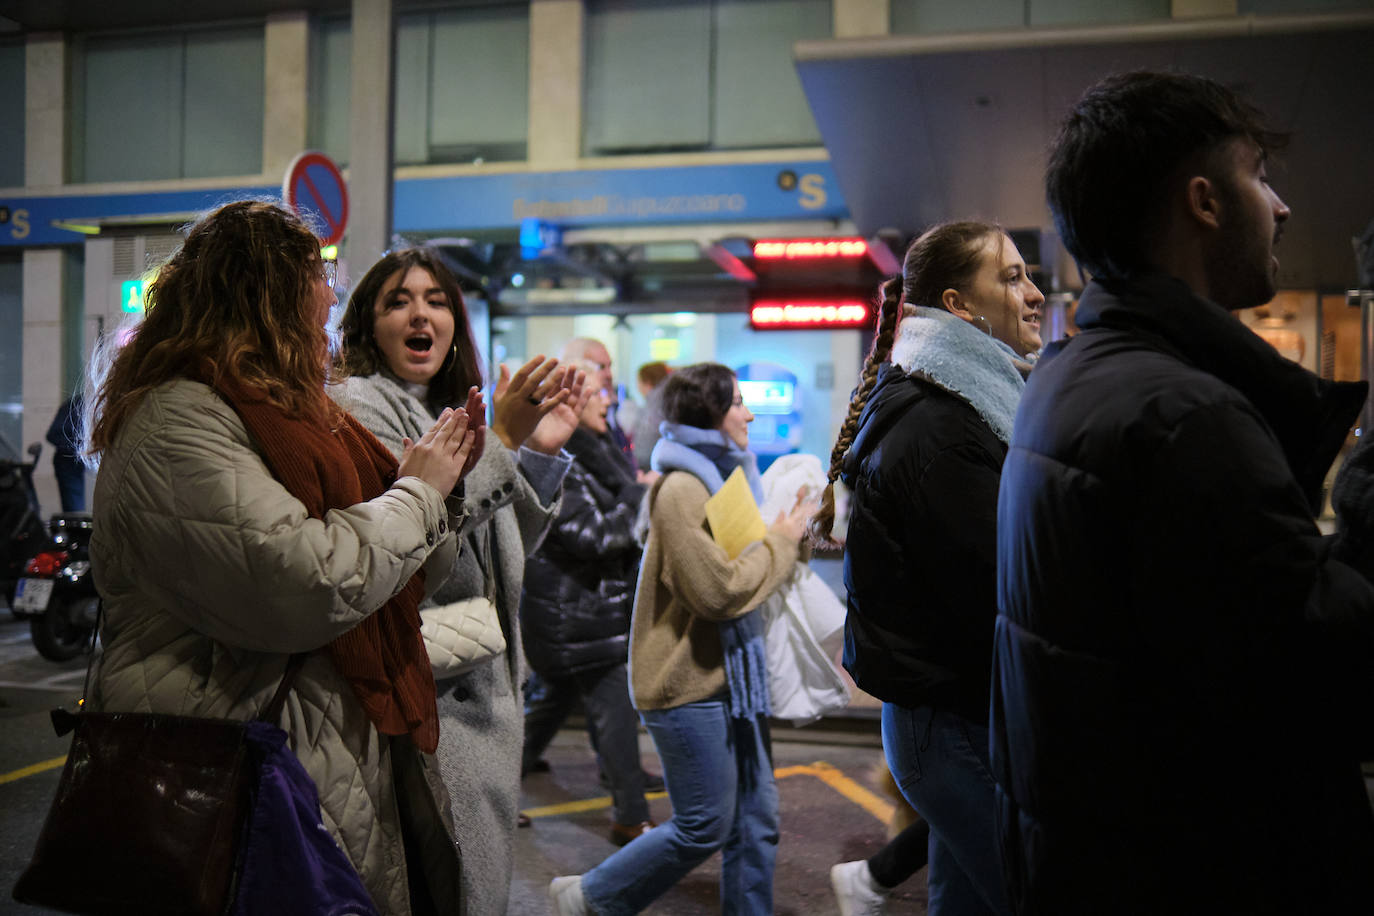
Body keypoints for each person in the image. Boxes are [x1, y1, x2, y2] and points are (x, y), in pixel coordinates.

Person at [992, 70, 1374, 914]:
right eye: (1258, 177)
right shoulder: (1182, 415)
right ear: (1204, 200)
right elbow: (1338, 688)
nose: (1278, 208)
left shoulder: (1071, 377)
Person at [83, 200, 480, 915]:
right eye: (315, 277)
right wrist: (421, 492)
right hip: (232, 768)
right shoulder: (181, 419)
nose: (330, 296)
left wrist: (431, 499)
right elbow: (304, 583)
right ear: (264, 292)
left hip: (317, 751)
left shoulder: (299, 410)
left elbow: (406, 573)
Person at [332, 245, 585, 916]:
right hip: (434, 697)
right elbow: (415, 534)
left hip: (477, 687)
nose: (421, 314)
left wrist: (533, 453)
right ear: (367, 326)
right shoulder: (361, 405)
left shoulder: (442, 407)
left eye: (436, 300)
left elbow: (494, 555)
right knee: (448, 885)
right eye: (399, 301)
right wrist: (500, 436)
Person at [810, 221, 1042, 916]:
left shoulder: (964, 408)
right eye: (1011, 277)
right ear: (958, 305)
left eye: (1027, 276)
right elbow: (1002, 586)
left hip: (955, 717)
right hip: (952, 725)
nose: (1032, 293)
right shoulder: (942, 428)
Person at [549, 362, 814, 916]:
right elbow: (718, 590)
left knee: (757, 819)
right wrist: (783, 543)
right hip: (685, 683)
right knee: (705, 824)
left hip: (732, 679)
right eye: (737, 403)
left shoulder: (723, 478)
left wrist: (793, 531)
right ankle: (590, 898)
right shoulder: (682, 489)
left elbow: (747, 557)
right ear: (709, 417)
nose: (748, 412)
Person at [520, 376, 658, 846]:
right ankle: (630, 817)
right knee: (613, 708)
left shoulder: (600, 450)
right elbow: (592, 536)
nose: (610, 398)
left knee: (551, 704)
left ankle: (500, 776)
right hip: (573, 614)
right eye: (598, 390)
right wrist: (640, 496)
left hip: (582, 610)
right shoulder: (560, 460)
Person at [562, 337, 635, 471]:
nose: (609, 374)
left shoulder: (611, 413)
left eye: (609, 366)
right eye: (601, 367)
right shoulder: (564, 456)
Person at [46, 393, 85, 512]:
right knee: (74, 507)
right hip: (67, 461)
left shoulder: (81, 403)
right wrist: (77, 448)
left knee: (75, 504)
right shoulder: (76, 404)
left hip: (73, 460)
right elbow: (52, 435)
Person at [630, 361, 671, 472]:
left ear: (647, 383)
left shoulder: (653, 406)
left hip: (652, 468)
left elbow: (645, 444)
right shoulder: (669, 399)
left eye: (638, 383)